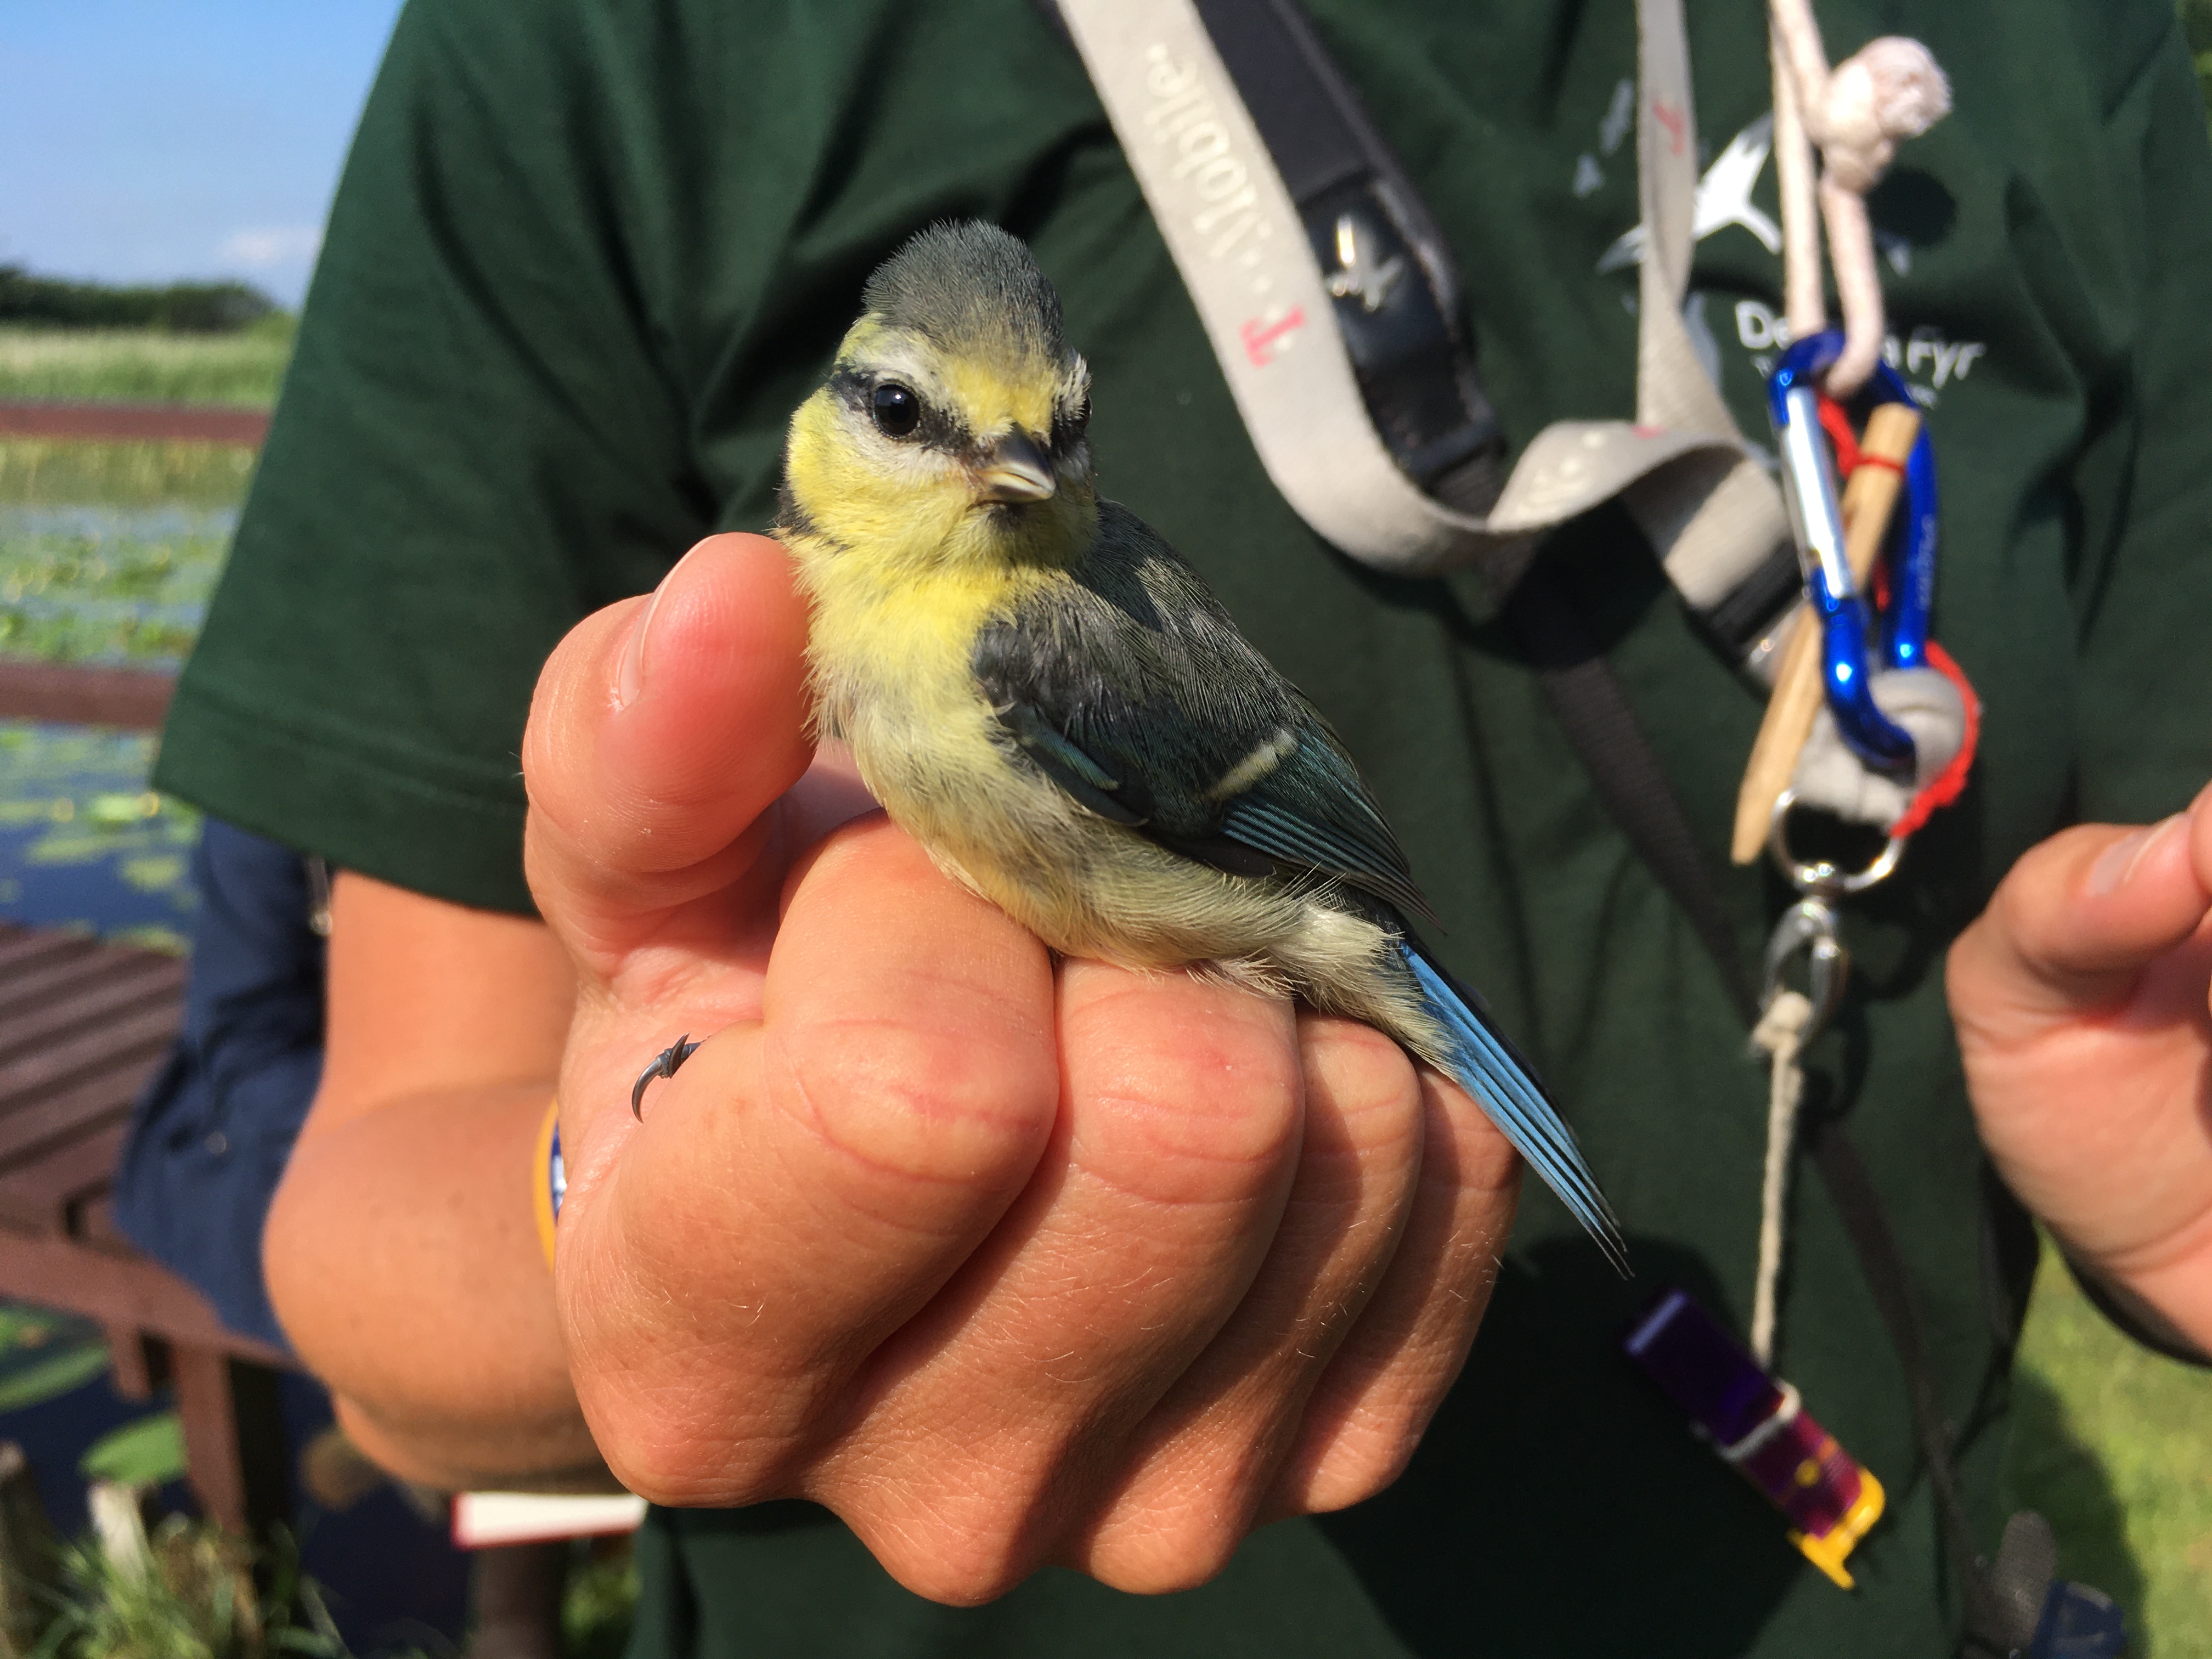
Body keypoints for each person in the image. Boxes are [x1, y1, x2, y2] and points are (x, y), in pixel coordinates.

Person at [150, 0, 2212, 1652]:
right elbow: (377, 1245)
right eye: (910, 418)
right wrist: (661, 1211)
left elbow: (1290, 844)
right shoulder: (627, 66)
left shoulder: (1037, 641)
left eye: (1041, 437)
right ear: (831, 420)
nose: (994, 472)